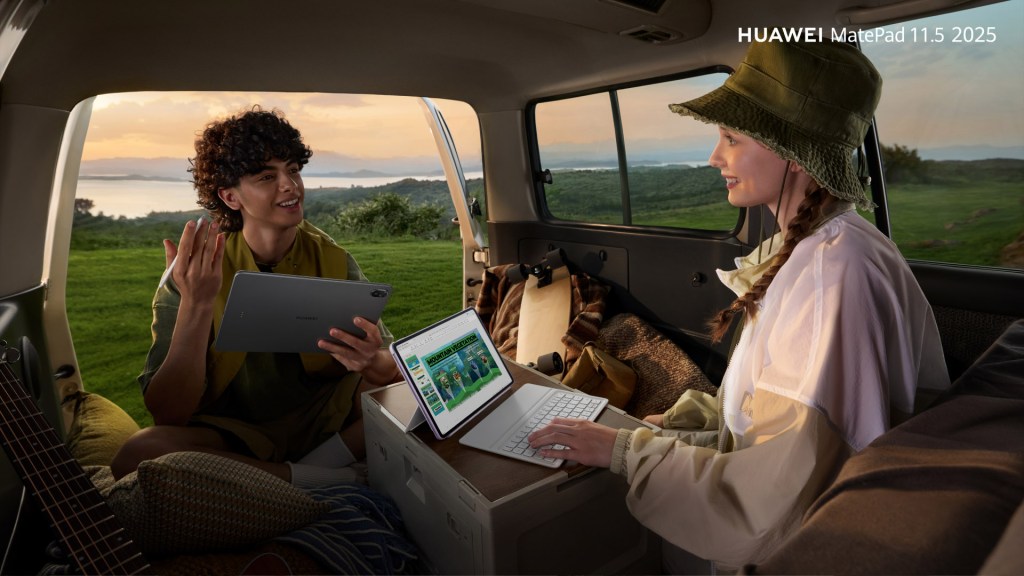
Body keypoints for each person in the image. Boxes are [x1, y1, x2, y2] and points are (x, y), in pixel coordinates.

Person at [528, 40, 951, 569]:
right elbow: (778, 426)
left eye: (731, 137)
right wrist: (683, 429)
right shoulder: (831, 246)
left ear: (791, 152)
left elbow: (774, 495)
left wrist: (623, 450)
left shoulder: (828, 277)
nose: (715, 157)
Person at [111, 107, 401, 488]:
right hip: (236, 433)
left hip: (325, 417)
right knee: (137, 453)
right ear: (230, 196)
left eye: (293, 170)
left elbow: (390, 369)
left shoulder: (332, 258)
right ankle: (323, 478)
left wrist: (371, 360)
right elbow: (169, 413)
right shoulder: (194, 272)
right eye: (267, 176)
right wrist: (197, 304)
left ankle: (302, 474)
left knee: (412, 393)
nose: (290, 185)